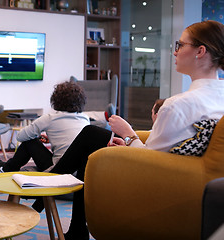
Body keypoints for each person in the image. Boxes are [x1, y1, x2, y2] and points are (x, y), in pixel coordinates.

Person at [39, 20, 224, 240]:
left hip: (161, 181)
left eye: (179, 45)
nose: (173, 52)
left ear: (200, 51)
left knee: (91, 137)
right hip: (196, 178)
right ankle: (69, 220)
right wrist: (129, 139)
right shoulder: (218, 96)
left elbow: (149, 160)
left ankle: (43, 192)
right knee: (92, 136)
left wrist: (128, 134)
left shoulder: (180, 104)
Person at [0, 81, 89, 172]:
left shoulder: (50, 118)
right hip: (79, 171)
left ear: (56, 100)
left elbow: (20, 136)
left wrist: (36, 136)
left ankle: (8, 168)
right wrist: (51, 138)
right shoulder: (85, 119)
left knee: (30, 141)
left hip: (58, 170)